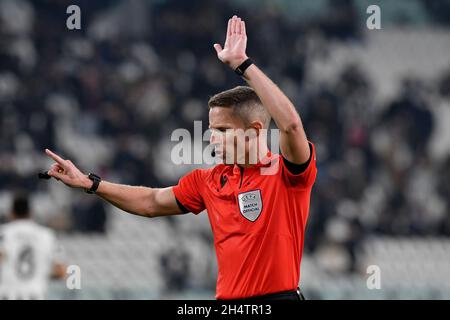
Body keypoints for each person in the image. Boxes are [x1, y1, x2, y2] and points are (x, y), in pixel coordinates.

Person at [43, 15, 317, 300]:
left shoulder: (287, 172)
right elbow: (150, 202)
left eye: (223, 129)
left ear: (255, 130)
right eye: (211, 129)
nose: (212, 137)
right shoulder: (209, 180)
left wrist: (244, 66)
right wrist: (91, 183)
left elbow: (292, 126)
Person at [0, 192, 66, 300]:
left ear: (11, 213)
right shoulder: (47, 235)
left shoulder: (3, 233)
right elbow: (61, 271)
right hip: (35, 295)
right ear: (31, 213)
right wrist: (41, 271)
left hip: (7, 295)